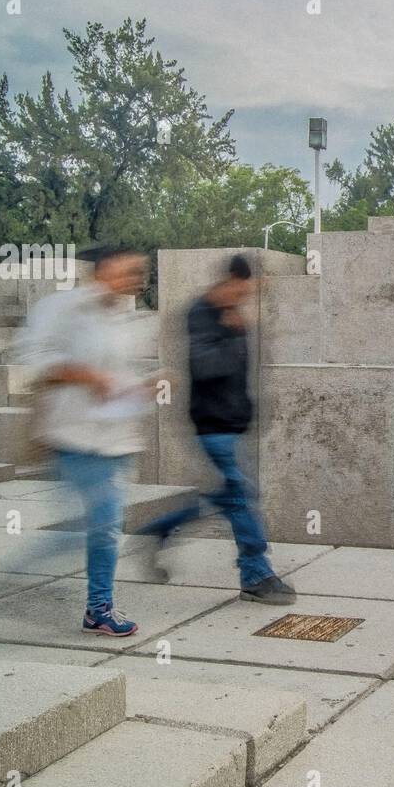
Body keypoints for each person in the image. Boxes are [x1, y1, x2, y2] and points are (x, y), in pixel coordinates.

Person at [141, 254, 296, 604]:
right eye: (243, 291)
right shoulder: (200, 313)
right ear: (231, 281)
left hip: (234, 423)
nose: (245, 299)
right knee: (243, 497)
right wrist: (229, 331)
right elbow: (203, 366)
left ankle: (162, 528)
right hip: (212, 425)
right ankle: (256, 574)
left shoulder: (233, 316)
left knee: (229, 497)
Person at [18, 247, 152, 637]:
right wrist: (83, 375)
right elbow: (34, 359)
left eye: (138, 273)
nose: (135, 279)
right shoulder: (64, 309)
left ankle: (96, 607)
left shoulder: (128, 319)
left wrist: (145, 386)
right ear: (105, 269)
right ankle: (91, 605)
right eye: (129, 271)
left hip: (115, 438)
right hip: (72, 436)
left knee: (101, 525)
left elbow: (119, 373)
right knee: (103, 523)